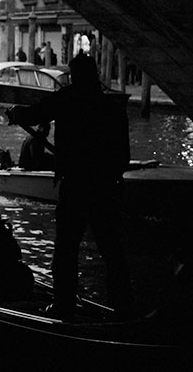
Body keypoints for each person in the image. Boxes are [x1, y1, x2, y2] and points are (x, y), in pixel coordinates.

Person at [7, 52, 134, 319]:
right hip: (106, 188)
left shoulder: (67, 99)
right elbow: (123, 158)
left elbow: (35, 113)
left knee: (66, 248)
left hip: (76, 186)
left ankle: (64, 304)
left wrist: (16, 113)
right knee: (112, 250)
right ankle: (124, 307)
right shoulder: (113, 108)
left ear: (75, 77)